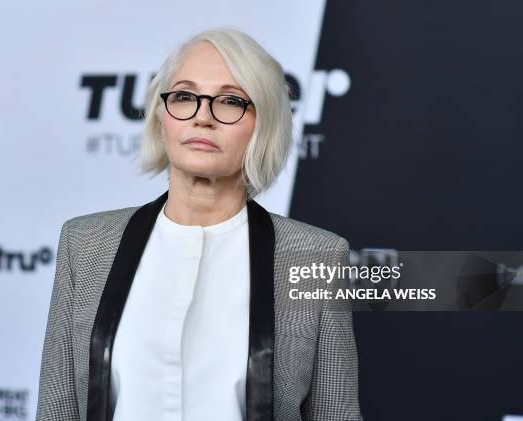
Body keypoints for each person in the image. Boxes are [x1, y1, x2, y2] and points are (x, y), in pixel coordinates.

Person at [36, 27, 360, 421]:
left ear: (265, 124)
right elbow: (57, 410)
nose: (203, 117)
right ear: (161, 116)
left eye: (230, 101)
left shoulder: (315, 256)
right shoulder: (86, 244)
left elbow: (335, 414)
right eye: (185, 96)